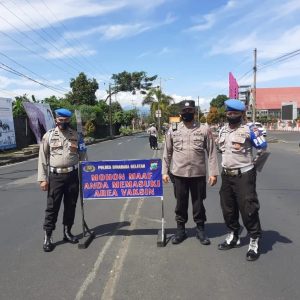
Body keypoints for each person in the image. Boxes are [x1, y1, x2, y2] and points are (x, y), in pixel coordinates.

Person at [162, 100, 219, 245]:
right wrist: (164, 171)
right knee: (180, 203)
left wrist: (213, 173)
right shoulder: (173, 129)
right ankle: (180, 230)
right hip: (179, 174)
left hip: (198, 174)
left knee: (198, 203)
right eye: (184, 111)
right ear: (180, 113)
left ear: (194, 111)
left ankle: (200, 230)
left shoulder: (204, 129)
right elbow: (167, 152)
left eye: (190, 111)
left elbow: (212, 152)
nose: (187, 113)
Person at [217, 99, 267, 261]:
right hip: (226, 174)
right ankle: (233, 234)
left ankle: (254, 239)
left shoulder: (250, 129)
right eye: (229, 113)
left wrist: (254, 167)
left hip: (244, 175)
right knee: (228, 208)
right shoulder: (223, 130)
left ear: (241, 114)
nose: (231, 115)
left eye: (235, 113)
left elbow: (263, 148)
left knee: (248, 208)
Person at [37, 108, 88, 252]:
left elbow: (83, 156)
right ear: (56, 120)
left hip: (72, 176)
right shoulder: (48, 136)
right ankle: (48, 236)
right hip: (55, 177)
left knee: (71, 205)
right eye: (60, 120)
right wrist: (43, 179)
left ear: (69, 121)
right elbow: (42, 157)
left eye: (65, 121)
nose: (62, 123)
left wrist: (86, 177)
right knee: (52, 207)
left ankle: (67, 232)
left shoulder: (77, 136)